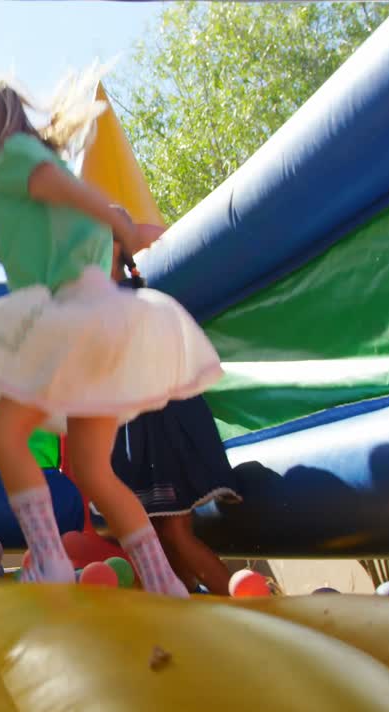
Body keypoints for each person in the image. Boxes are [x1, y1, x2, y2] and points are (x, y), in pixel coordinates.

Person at [0, 71, 222, 597]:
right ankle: (163, 583)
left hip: (77, 316)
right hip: (101, 323)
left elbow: (77, 193)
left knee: (2, 433)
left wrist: (125, 226)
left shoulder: (14, 161)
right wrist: (116, 224)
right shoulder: (14, 182)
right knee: (92, 469)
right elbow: (78, 203)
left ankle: (49, 558)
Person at [109, 211, 242, 595]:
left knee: (174, 532)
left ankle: (254, 613)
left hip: (161, 428)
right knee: (160, 536)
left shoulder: (128, 300)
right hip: (148, 427)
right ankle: (187, 614)